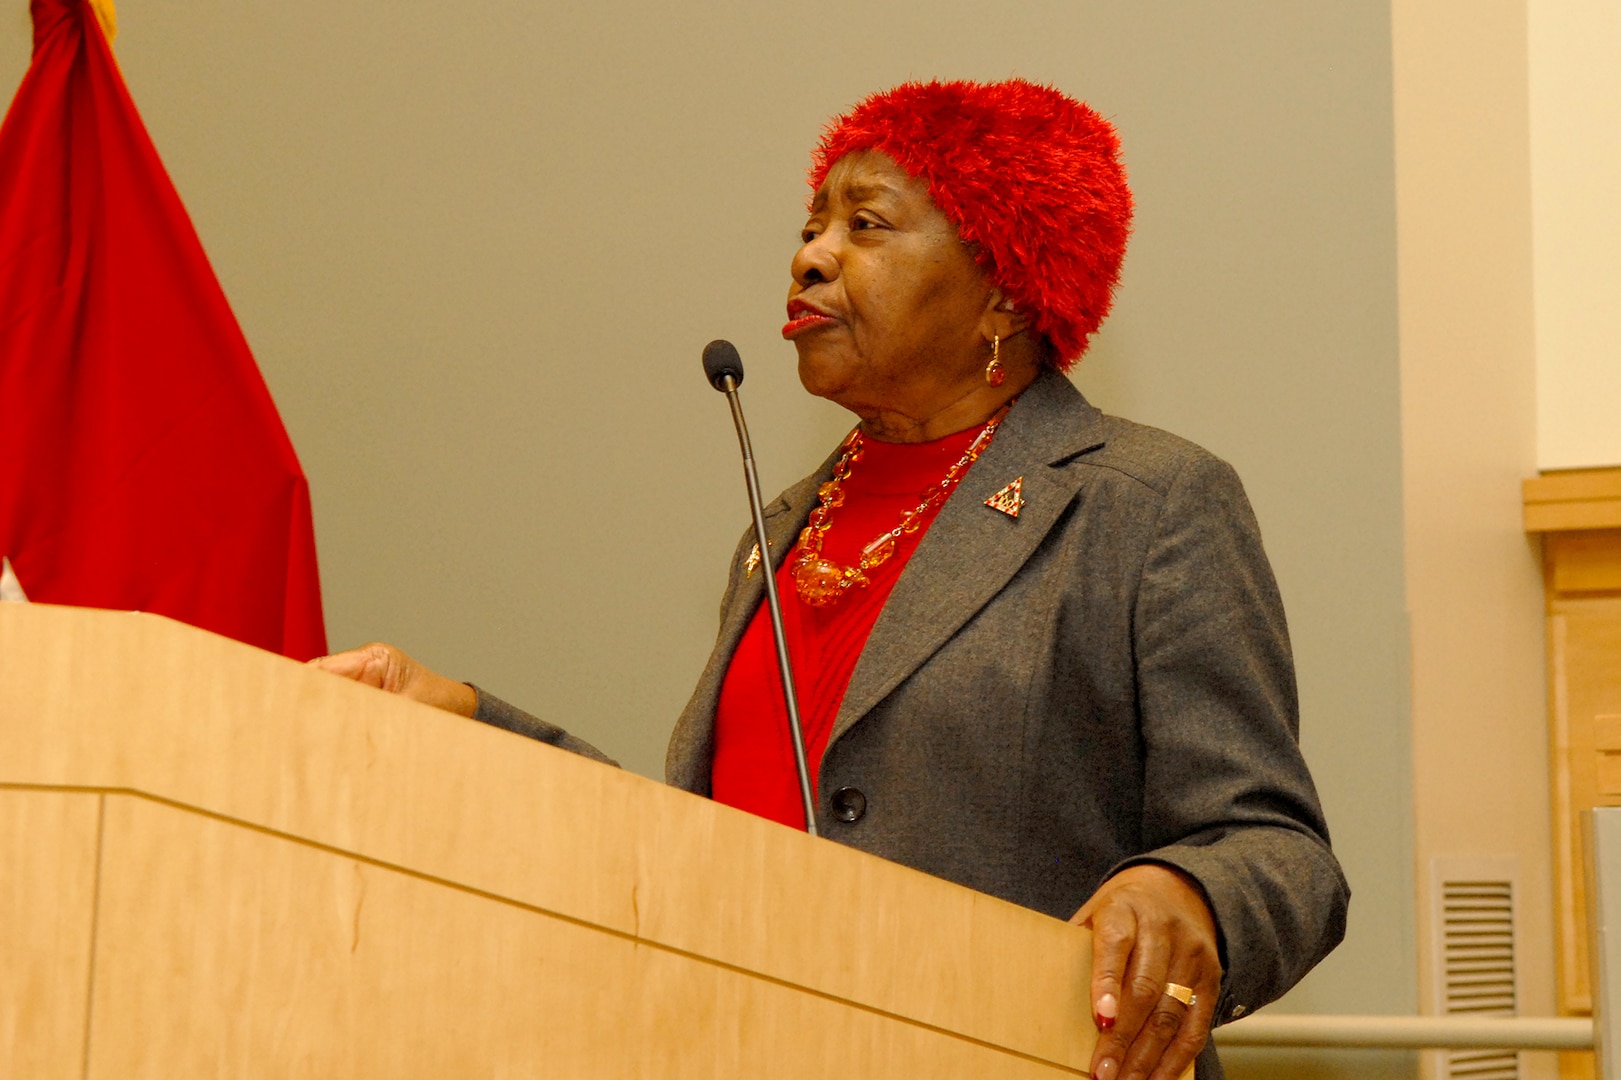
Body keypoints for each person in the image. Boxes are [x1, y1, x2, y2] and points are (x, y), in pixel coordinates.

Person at [315, 79, 1348, 1080]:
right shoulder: (783, 528)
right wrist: (458, 721)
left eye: (867, 226)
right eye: (813, 223)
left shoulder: (1141, 501)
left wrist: (1186, 891)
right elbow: (709, 851)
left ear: (1000, 282)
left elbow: (1275, 849)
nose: (810, 254)